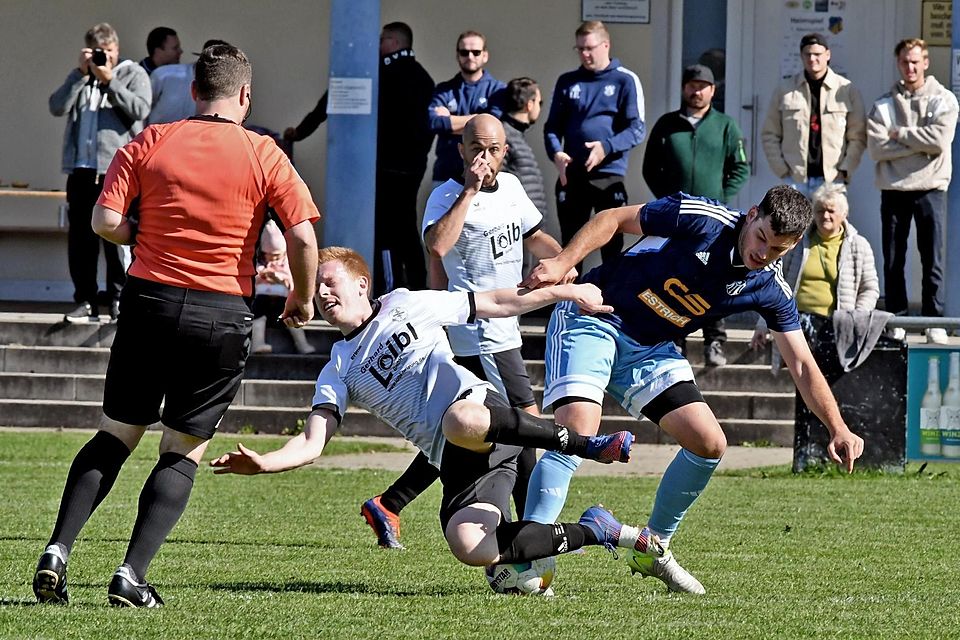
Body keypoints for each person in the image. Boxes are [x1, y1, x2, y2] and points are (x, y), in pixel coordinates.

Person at [32, 43, 320, 608]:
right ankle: (130, 575)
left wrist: (145, 238)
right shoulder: (265, 152)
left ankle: (57, 550)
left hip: (148, 302)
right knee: (182, 448)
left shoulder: (151, 140)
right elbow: (304, 236)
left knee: (116, 432)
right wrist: (300, 299)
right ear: (245, 94)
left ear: (193, 91)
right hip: (221, 314)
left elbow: (104, 220)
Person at [210, 247, 654, 575]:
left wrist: (566, 291)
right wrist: (265, 463)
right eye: (317, 287)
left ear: (361, 284)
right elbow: (312, 442)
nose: (323, 293)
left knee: (460, 419)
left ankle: (588, 445)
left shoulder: (405, 303)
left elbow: (495, 302)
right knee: (470, 546)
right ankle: (599, 530)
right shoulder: (336, 369)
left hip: (480, 414)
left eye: (331, 282)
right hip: (456, 459)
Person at [519, 186, 865, 595]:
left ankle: (652, 545)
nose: (764, 254)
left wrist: (838, 427)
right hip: (595, 315)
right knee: (578, 428)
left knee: (709, 442)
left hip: (650, 350)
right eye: (761, 239)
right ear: (752, 214)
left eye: (778, 250)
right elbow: (612, 217)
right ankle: (526, 558)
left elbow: (803, 365)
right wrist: (562, 262)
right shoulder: (702, 219)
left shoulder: (769, 287)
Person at [358, 115, 571, 549]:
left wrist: (569, 263)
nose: (484, 158)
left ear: (505, 151)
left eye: (493, 149)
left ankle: (391, 502)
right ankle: (526, 532)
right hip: (475, 333)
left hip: (506, 328)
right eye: (476, 148)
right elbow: (437, 245)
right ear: (460, 149)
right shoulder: (446, 195)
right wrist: (470, 190)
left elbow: (535, 239)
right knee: (522, 425)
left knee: (483, 430)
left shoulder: (512, 188)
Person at [284, 22, 435, 295]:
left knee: (387, 233)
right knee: (407, 228)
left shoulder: (379, 72)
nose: (377, 45)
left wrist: (298, 133)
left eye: (383, 39)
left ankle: (391, 290)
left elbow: (328, 103)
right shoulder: (424, 78)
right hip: (412, 168)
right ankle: (416, 285)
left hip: (386, 169)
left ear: (394, 42)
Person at [642, 64, 749, 367]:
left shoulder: (726, 125)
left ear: (713, 91)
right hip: (676, 219)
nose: (697, 90)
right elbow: (650, 168)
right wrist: (668, 203)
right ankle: (674, 342)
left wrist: (721, 199)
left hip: (713, 221)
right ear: (684, 88)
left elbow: (740, 167)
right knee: (673, 277)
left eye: (703, 85)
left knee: (713, 278)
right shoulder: (666, 125)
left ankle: (714, 341)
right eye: (692, 84)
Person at [49, 22, 151, 323]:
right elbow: (56, 106)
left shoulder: (133, 74)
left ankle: (120, 298)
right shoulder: (82, 78)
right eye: (97, 52)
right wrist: (79, 74)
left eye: (107, 52)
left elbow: (140, 110)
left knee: (117, 238)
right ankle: (86, 300)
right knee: (81, 240)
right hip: (81, 170)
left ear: (117, 50)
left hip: (116, 171)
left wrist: (110, 81)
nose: (102, 57)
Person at [866, 37, 958, 345]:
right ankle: (897, 319)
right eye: (905, 61)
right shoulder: (883, 104)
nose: (910, 67)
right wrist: (918, 146)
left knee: (933, 258)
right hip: (893, 188)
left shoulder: (943, 99)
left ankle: (934, 322)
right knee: (894, 258)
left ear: (926, 62)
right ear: (898, 63)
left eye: (916, 61)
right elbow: (877, 149)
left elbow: (939, 141)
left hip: (931, 187)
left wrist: (900, 135)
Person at [544, 20, 645, 266]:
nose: (584, 54)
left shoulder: (625, 80)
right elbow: (552, 128)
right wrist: (556, 154)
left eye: (589, 48)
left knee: (610, 245)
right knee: (570, 244)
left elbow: (636, 129)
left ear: (606, 45)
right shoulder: (567, 81)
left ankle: (609, 300)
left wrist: (605, 148)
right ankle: (567, 301)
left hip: (608, 176)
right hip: (572, 174)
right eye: (579, 49)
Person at [751, 183, 879, 357]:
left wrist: (856, 318)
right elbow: (774, 284)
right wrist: (762, 325)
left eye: (831, 211)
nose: (825, 216)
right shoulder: (796, 244)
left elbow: (870, 288)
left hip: (838, 331)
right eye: (819, 211)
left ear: (844, 214)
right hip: (796, 328)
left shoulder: (859, 246)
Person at [761, 33, 866, 197]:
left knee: (830, 223)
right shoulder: (785, 89)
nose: (812, 59)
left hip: (832, 179)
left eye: (817, 54)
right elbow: (770, 134)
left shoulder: (846, 89)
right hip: (795, 179)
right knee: (795, 223)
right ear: (801, 56)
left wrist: (845, 170)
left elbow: (858, 136)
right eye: (807, 54)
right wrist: (782, 170)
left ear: (828, 55)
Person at [428, 30, 506, 186]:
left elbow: (494, 124)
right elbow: (434, 122)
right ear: (457, 55)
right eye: (464, 52)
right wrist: (480, 119)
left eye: (476, 52)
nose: (470, 57)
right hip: (446, 174)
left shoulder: (498, 90)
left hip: (485, 176)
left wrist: (450, 121)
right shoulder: (444, 89)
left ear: (485, 55)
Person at [251, 220, 317, 355]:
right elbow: (253, 278)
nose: (274, 259)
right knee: (258, 316)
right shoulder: (261, 264)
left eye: (277, 255)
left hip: (283, 302)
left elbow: (293, 283)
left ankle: (302, 344)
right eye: (270, 255)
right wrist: (262, 275)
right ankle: (257, 343)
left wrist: (280, 279)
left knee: (292, 319)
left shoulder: (288, 264)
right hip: (262, 301)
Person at [149, 39, 231, 125]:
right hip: (157, 135)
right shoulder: (163, 74)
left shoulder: (224, 87)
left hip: (192, 136)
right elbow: (143, 109)